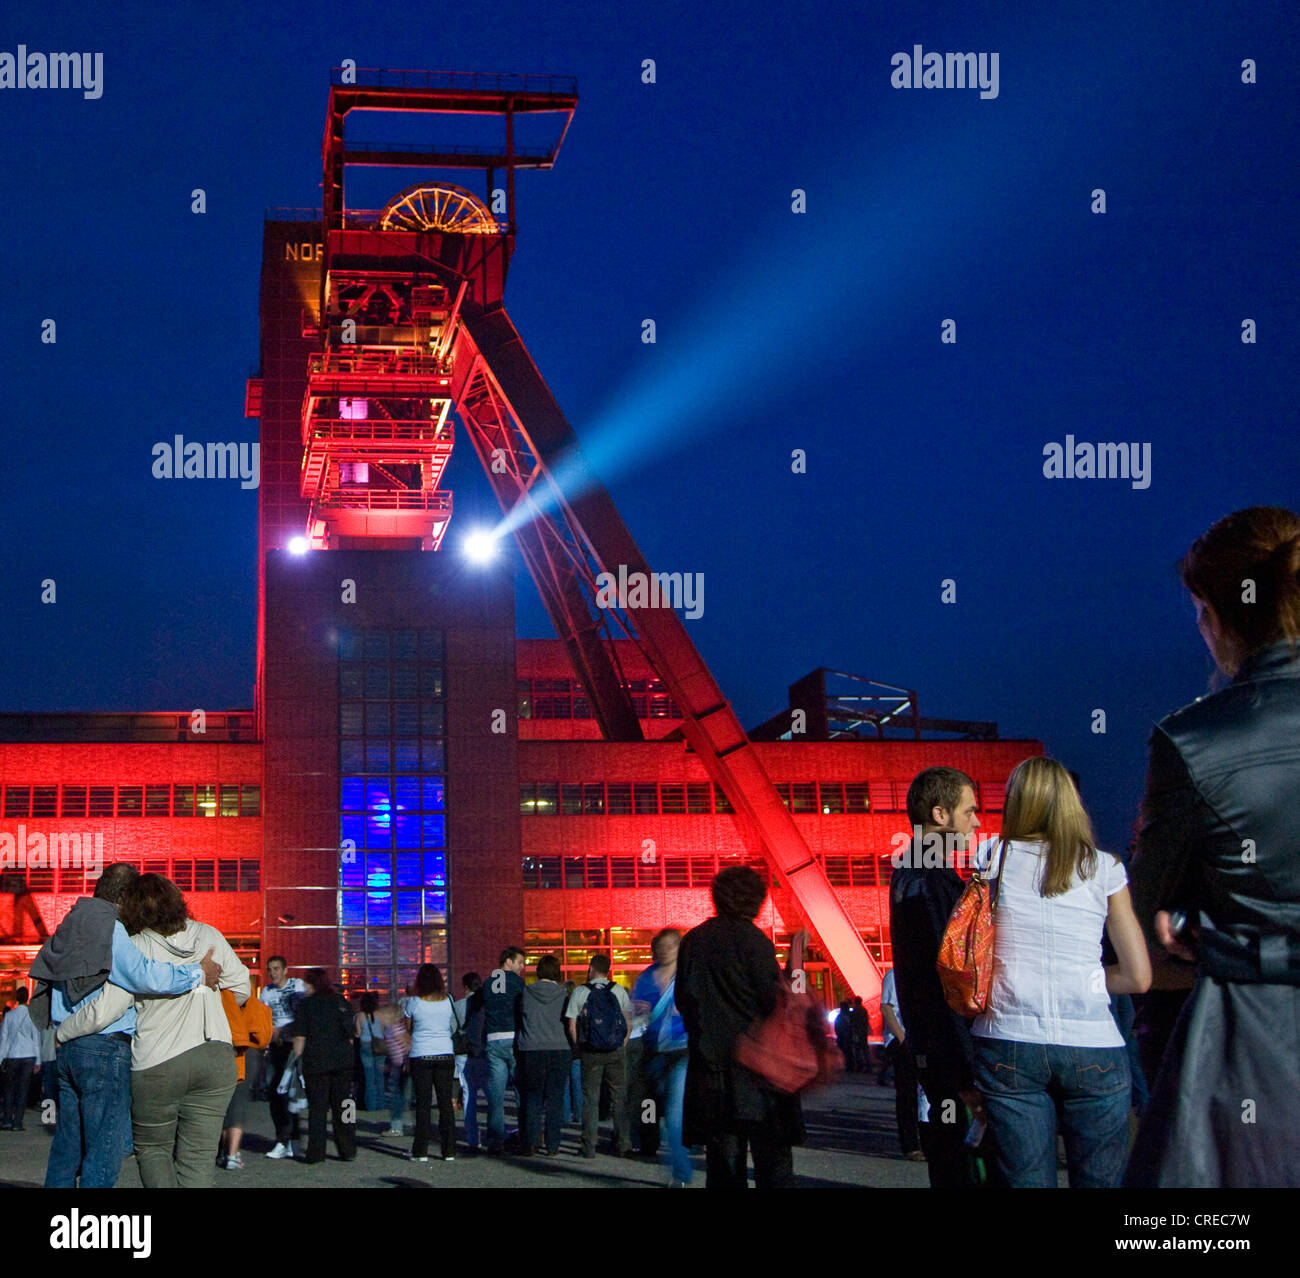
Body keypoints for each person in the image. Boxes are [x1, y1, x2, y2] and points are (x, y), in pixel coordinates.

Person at [1125, 506, 1300, 1187]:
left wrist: (1199, 931)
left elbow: (1133, 928)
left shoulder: (1193, 742)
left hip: (1244, 1049)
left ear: (1215, 615)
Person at [969, 757, 1151, 1188]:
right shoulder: (1105, 869)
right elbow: (1138, 976)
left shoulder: (992, 857)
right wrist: (1088, 978)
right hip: (1093, 1044)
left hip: (1007, 1038)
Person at [31, 862, 220, 1188]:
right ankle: (90, 1231)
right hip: (104, 1048)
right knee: (103, 1150)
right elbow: (141, 973)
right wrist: (197, 974)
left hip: (68, 1050)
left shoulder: (69, 924)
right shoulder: (110, 927)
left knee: (67, 1146)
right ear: (123, 896)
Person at [888, 767, 988, 1188]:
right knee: (966, 1165)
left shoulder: (908, 870)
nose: (978, 822)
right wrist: (966, 1071)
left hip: (933, 1046)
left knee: (947, 1160)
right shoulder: (934, 878)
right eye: (970, 811)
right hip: (953, 1052)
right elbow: (948, 976)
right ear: (940, 814)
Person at [676, 866, 803, 1188]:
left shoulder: (694, 941)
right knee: (772, 1162)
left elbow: (684, 1000)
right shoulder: (754, 942)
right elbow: (773, 1002)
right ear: (755, 901)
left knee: (723, 1163)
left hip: (713, 1068)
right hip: (760, 1071)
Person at [632, 927, 693, 1186]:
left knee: (674, 1110)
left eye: (672, 945)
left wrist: (688, 1007)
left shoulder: (689, 975)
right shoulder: (646, 977)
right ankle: (648, 1140)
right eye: (662, 945)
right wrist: (639, 1009)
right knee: (650, 1103)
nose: (666, 950)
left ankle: (679, 1169)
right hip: (653, 1049)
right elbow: (635, 1010)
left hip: (682, 1049)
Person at [285, 967, 357, 1164]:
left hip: (316, 1061)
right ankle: (348, 1148)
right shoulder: (341, 1002)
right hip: (342, 1061)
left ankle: (316, 1152)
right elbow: (351, 1033)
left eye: (306, 983)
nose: (305, 987)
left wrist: (295, 1061)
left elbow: (300, 1037)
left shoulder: (305, 1005)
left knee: (318, 1108)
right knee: (345, 1105)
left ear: (312, 984)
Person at [566, 953, 632, 1159]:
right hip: (616, 1051)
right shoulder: (619, 990)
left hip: (590, 1052)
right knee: (619, 1097)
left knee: (590, 1099)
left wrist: (579, 1046)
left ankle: (588, 1146)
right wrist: (622, 1042)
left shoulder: (580, 992)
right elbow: (628, 1022)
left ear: (592, 968)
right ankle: (623, 1144)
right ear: (608, 970)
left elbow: (571, 1024)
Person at [402, 963, 458, 1161]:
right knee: (445, 1104)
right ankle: (449, 1150)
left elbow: (408, 1027)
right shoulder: (448, 1000)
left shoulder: (414, 1002)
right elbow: (452, 1024)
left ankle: (421, 1151)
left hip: (421, 1053)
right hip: (445, 1052)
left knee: (423, 1104)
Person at [517, 954, 570, 1156]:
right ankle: (553, 1145)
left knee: (533, 1098)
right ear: (557, 972)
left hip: (531, 1048)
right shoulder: (564, 994)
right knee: (555, 1099)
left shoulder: (526, 993)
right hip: (559, 1048)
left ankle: (531, 1143)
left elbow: (521, 1017)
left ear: (538, 971)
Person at [259, 955, 307, 1159]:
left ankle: (287, 1140)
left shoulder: (298, 986)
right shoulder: (266, 992)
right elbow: (263, 1017)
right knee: (275, 1093)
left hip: (294, 1045)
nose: (273, 973)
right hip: (275, 1045)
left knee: (290, 1093)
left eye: (277, 968)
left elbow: (305, 1014)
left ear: (285, 970)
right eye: (270, 969)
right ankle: (287, 1139)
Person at [481, 946, 525, 1154]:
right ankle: (525, 1134)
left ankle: (495, 1139)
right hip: (514, 1037)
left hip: (493, 1038)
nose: (522, 967)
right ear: (508, 961)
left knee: (496, 1094)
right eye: (520, 963)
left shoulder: (488, 982)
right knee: (520, 1091)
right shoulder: (517, 982)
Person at [879, 967, 923, 1161]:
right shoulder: (894, 975)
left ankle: (937, 1137)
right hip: (902, 1041)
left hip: (923, 1040)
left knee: (932, 1093)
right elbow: (886, 1007)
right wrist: (902, 1039)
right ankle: (911, 1145)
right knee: (907, 1094)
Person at [455, 973, 488, 1152]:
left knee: (469, 1095)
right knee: (491, 1095)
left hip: (464, 1052)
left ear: (465, 986)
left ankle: (472, 1137)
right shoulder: (485, 1004)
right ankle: (494, 1133)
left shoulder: (459, 1005)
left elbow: (453, 1028)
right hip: (483, 1052)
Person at [0, 987, 40, 1131]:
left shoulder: (9, 1015)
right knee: (23, 1090)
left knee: (9, 1089)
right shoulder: (31, 1015)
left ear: (16, 998)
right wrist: (38, 1060)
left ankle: (7, 1119)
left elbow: (4, 1038)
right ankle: (17, 1121)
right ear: (27, 997)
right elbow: (36, 1038)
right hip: (29, 1055)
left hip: (12, 1055)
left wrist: (1, 1058)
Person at [355, 992, 386, 1113]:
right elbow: (383, 1032)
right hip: (380, 1047)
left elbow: (358, 1034)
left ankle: (371, 1106)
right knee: (380, 1078)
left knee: (369, 1078)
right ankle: (382, 1105)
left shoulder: (360, 1016)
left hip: (366, 1046)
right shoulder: (381, 1015)